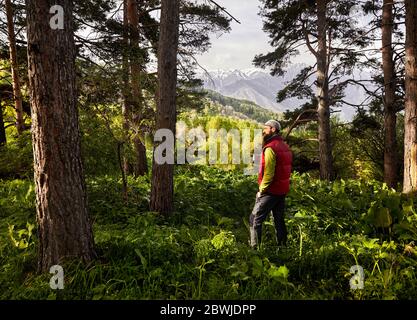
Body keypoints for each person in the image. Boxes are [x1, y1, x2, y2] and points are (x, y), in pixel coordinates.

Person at [249, 119, 292, 249]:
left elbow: (268, 173)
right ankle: (283, 247)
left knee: (254, 219)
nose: (263, 130)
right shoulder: (285, 146)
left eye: (265, 128)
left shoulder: (270, 148)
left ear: (273, 129)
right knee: (279, 219)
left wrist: (262, 190)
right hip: (282, 190)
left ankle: (255, 249)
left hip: (270, 191)